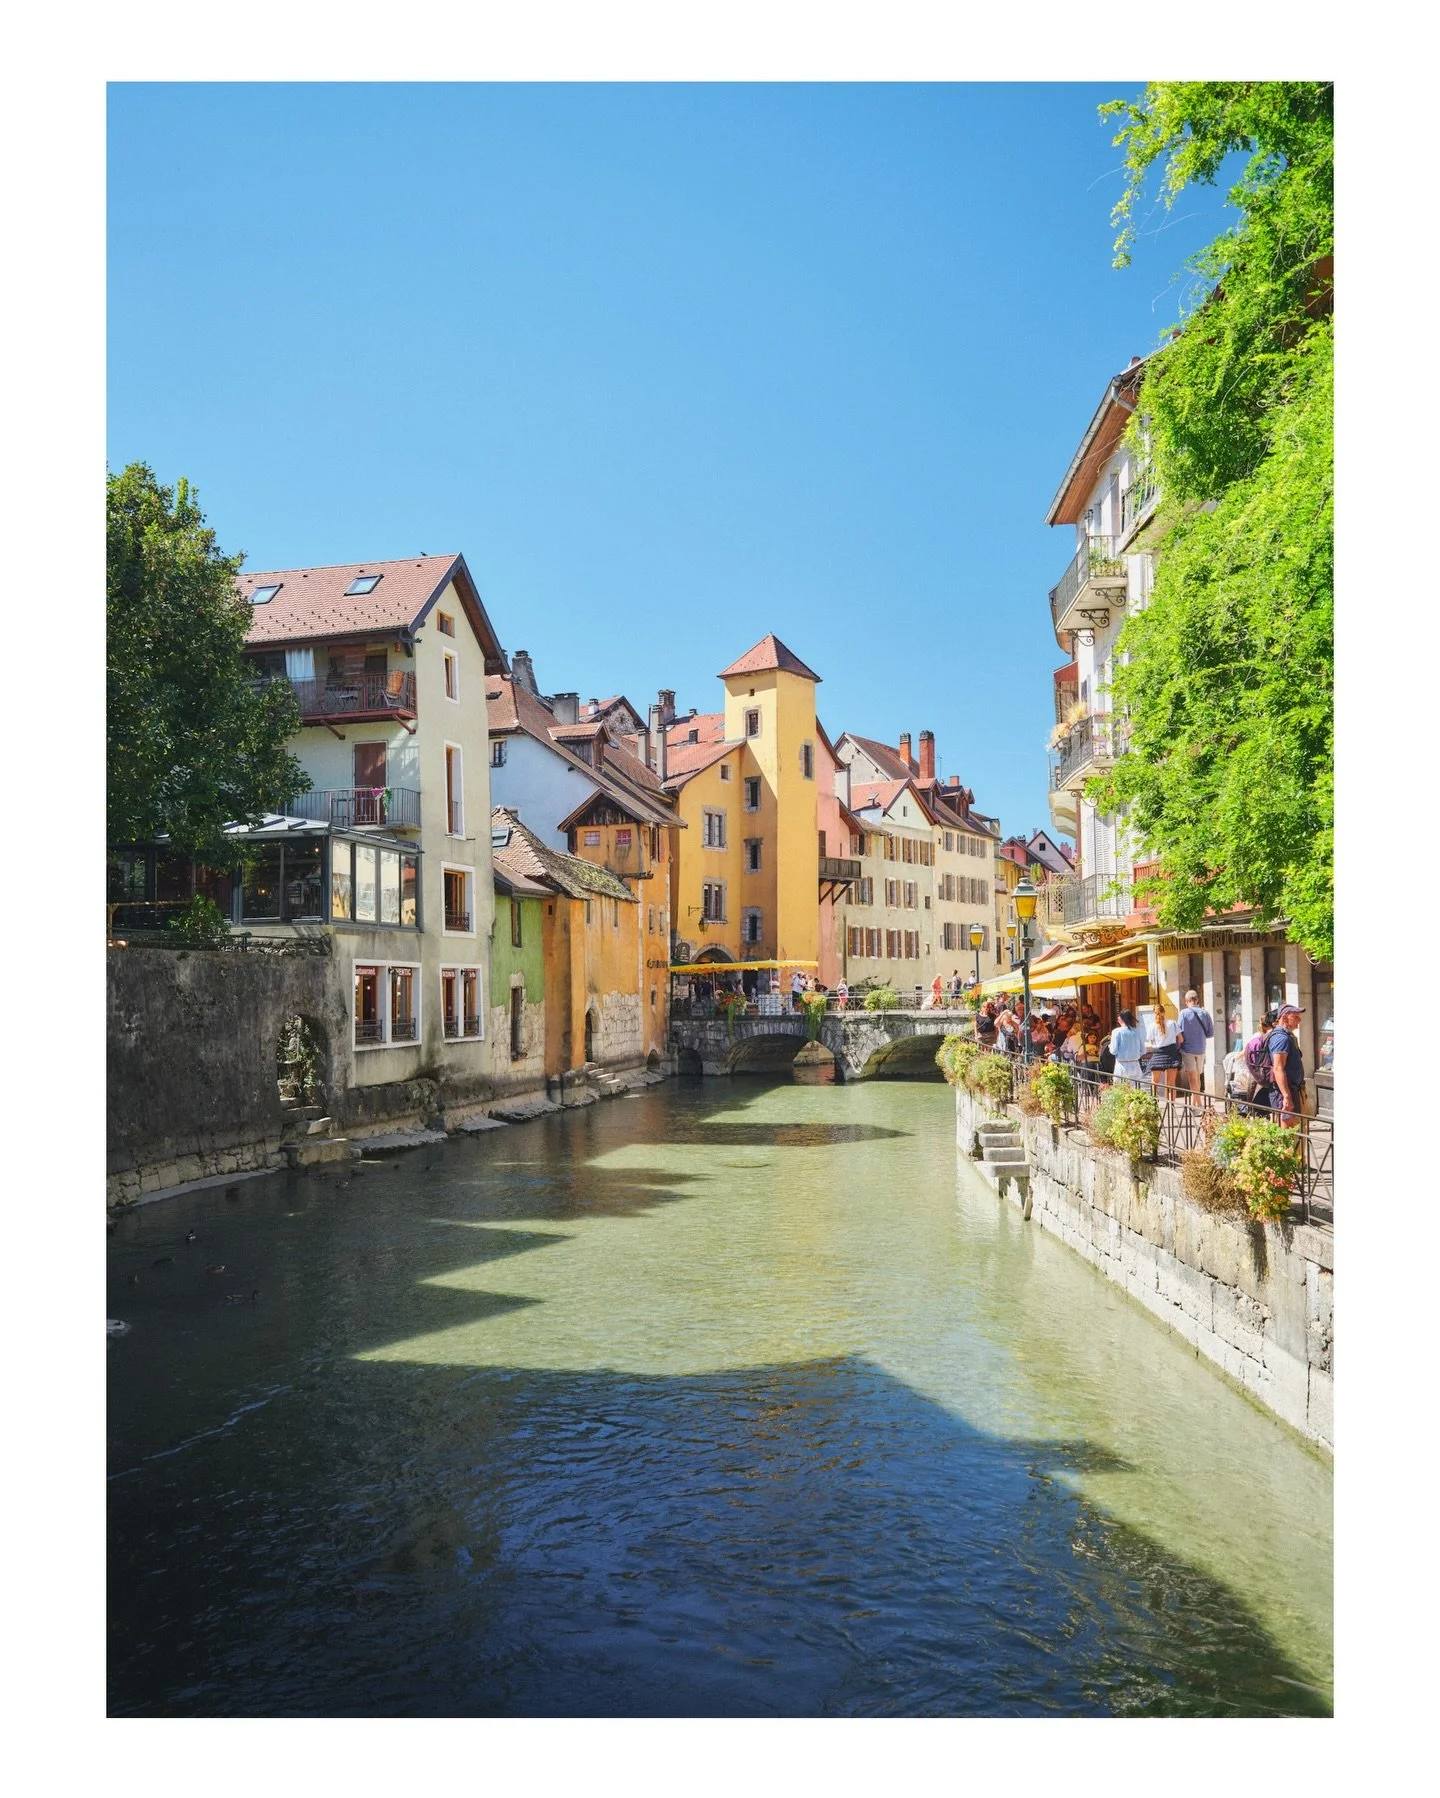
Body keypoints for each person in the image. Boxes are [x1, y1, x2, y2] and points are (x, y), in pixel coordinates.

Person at [1266, 1002, 1308, 1127]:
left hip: (1293, 1090)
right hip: (1284, 1094)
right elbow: (1278, 1069)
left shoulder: (1287, 1036)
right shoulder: (1281, 1038)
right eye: (1295, 1017)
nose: (1299, 1020)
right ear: (1284, 1017)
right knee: (1288, 1135)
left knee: (1296, 1133)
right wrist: (1286, 1096)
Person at [1177, 988, 1215, 1098]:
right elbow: (1210, 1033)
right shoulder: (1205, 1013)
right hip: (1201, 1049)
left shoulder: (1183, 1013)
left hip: (1187, 1049)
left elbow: (1179, 1032)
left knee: (1192, 1078)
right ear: (1197, 1000)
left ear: (1186, 1001)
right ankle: (1196, 1102)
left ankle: (1197, 1105)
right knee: (1197, 1076)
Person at [1147, 1000, 1182, 1097]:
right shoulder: (1173, 1023)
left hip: (1158, 1055)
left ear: (1154, 1013)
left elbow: (1151, 1042)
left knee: (1154, 1082)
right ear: (1164, 1012)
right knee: (1171, 1084)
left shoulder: (1151, 1026)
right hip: (1171, 1054)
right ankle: (1171, 1107)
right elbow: (1181, 1039)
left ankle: (1154, 1105)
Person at [1109, 1008, 1145, 1085]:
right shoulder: (1137, 1031)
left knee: (1121, 1090)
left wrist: (1110, 1047)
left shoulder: (1116, 1032)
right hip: (1135, 1064)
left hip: (1122, 1065)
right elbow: (1143, 1051)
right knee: (1135, 1091)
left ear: (1121, 1019)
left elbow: (1113, 1051)